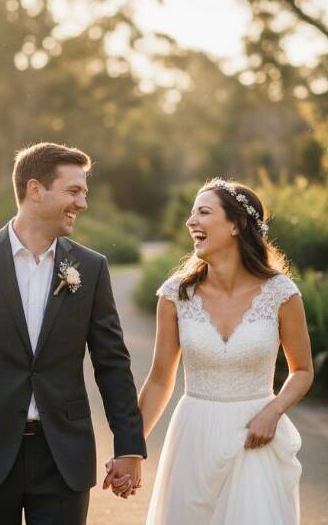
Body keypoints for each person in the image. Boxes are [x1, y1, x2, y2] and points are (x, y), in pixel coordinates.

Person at [0, 142, 146, 525]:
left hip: (63, 455)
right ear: (35, 190)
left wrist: (130, 446)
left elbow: (112, 365)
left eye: (84, 192)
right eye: (74, 191)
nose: (83, 203)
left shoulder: (91, 267)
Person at [110, 177, 313, 524]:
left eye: (203, 212)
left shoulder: (281, 293)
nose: (191, 222)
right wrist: (131, 449)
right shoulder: (175, 295)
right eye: (191, 214)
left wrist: (274, 410)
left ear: (235, 224)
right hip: (194, 435)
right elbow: (160, 380)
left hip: (255, 437)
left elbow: (303, 370)